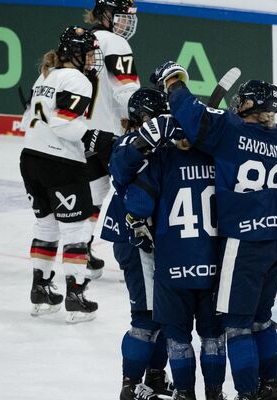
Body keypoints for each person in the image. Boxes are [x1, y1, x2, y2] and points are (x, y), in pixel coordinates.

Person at [151, 61, 277, 399]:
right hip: (276, 240)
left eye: (242, 101)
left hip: (244, 242)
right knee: (261, 321)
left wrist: (174, 82)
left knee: (238, 326)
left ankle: (246, 394)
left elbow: (191, 116)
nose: (236, 104)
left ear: (250, 106)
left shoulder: (231, 130)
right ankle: (270, 387)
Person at [124, 115, 227, 400]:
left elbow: (136, 204)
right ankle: (215, 394)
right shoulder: (218, 158)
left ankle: (184, 394)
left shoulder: (162, 159)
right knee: (213, 338)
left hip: (173, 267)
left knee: (178, 339)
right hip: (215, 267)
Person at [21, 26, 114, 324]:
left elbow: (28, 119)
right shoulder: (76, 79)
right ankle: (76, 296)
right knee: (75, 230)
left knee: (45, 225)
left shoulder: (46, 74)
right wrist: (101, 139)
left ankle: (41, 289)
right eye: (87, 53)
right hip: (60, 163)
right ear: (74, 53)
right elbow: (65, 125)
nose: (91, 59)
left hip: (30, 158)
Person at [104, 88, 173, 400]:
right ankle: (129, 386)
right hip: (135, 241)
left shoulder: (150, 143)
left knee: (162, 316)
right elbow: (123, 174)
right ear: (144, 118)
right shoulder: (132, 144)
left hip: (149, 239)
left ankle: (155, 378)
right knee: (145, 317)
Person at [83, 0, 141, 279]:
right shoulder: (116, 43)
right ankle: (137, 255)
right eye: (121, 17)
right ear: (105, 15)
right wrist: (145, 115)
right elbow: (127, 89)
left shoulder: (80, 40)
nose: (127, 23)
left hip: (82, 133)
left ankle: (79, 249)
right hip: (112, 135)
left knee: (94, 192)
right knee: (136, 190)